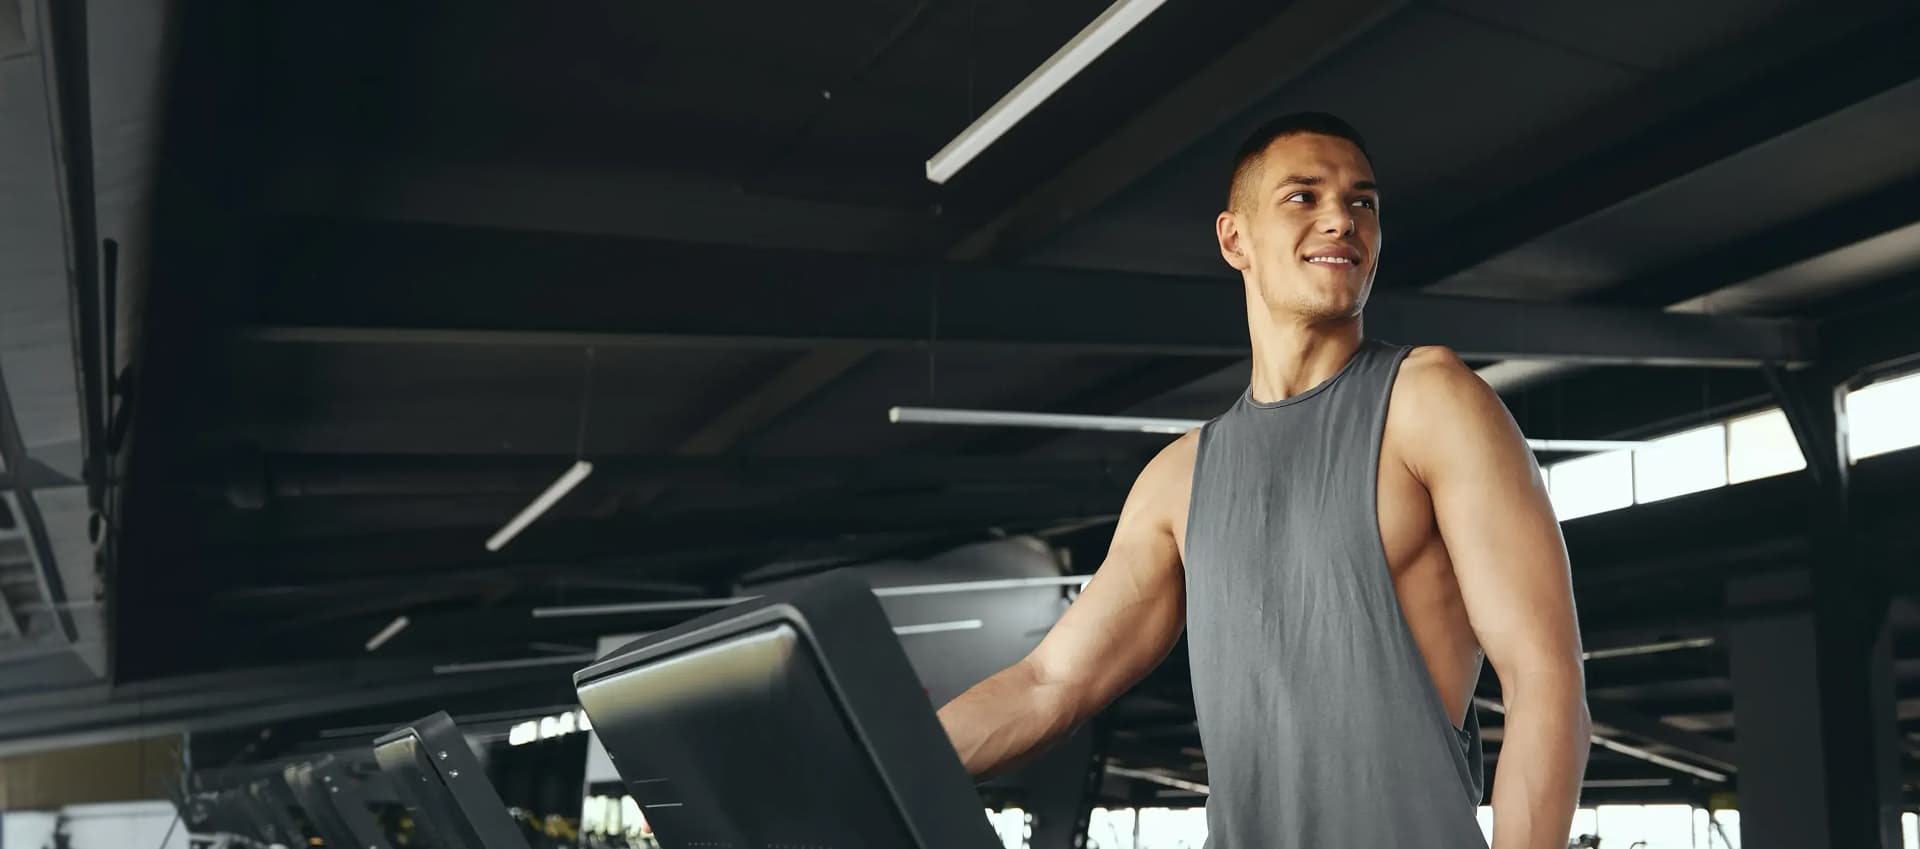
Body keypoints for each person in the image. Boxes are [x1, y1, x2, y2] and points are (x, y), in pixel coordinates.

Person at [936, 113, 1591, 848]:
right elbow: (1047, 685)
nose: (1341, 218)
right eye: (1303, 197)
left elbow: (1545, 677)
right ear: (1234, 239)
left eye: (1362, 201)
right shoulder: (1178, 480)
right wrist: (871, 755)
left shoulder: (1430, 402)